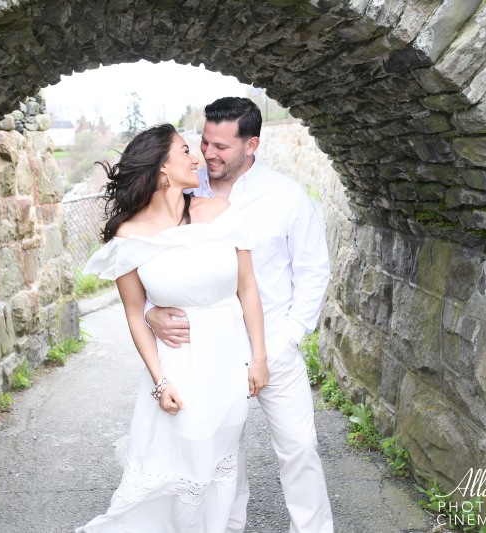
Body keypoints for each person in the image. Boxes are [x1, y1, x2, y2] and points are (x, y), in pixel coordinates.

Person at [145, 97, 335, 532]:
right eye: (204, 142)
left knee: (299, 448)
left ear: (252, 145)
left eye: (221, 147)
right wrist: (152, 311)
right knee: (222, 456)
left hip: (273, 345)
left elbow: (313, 273)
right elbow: (148, 260)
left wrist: (282, 344)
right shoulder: (183, 194)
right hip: (206, 351)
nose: (209, 154)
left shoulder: (287, 198)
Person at [76, 123, 269, 532]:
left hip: (227, 360)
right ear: (162, 169)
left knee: (220, 463)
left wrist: (258, 358)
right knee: (185, 466)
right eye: (185, 150)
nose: (197, 157)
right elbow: (133, 312)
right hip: (180, 364)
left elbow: (248, 288)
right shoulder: (128, 235)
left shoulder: (219, 212)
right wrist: (160, 381)